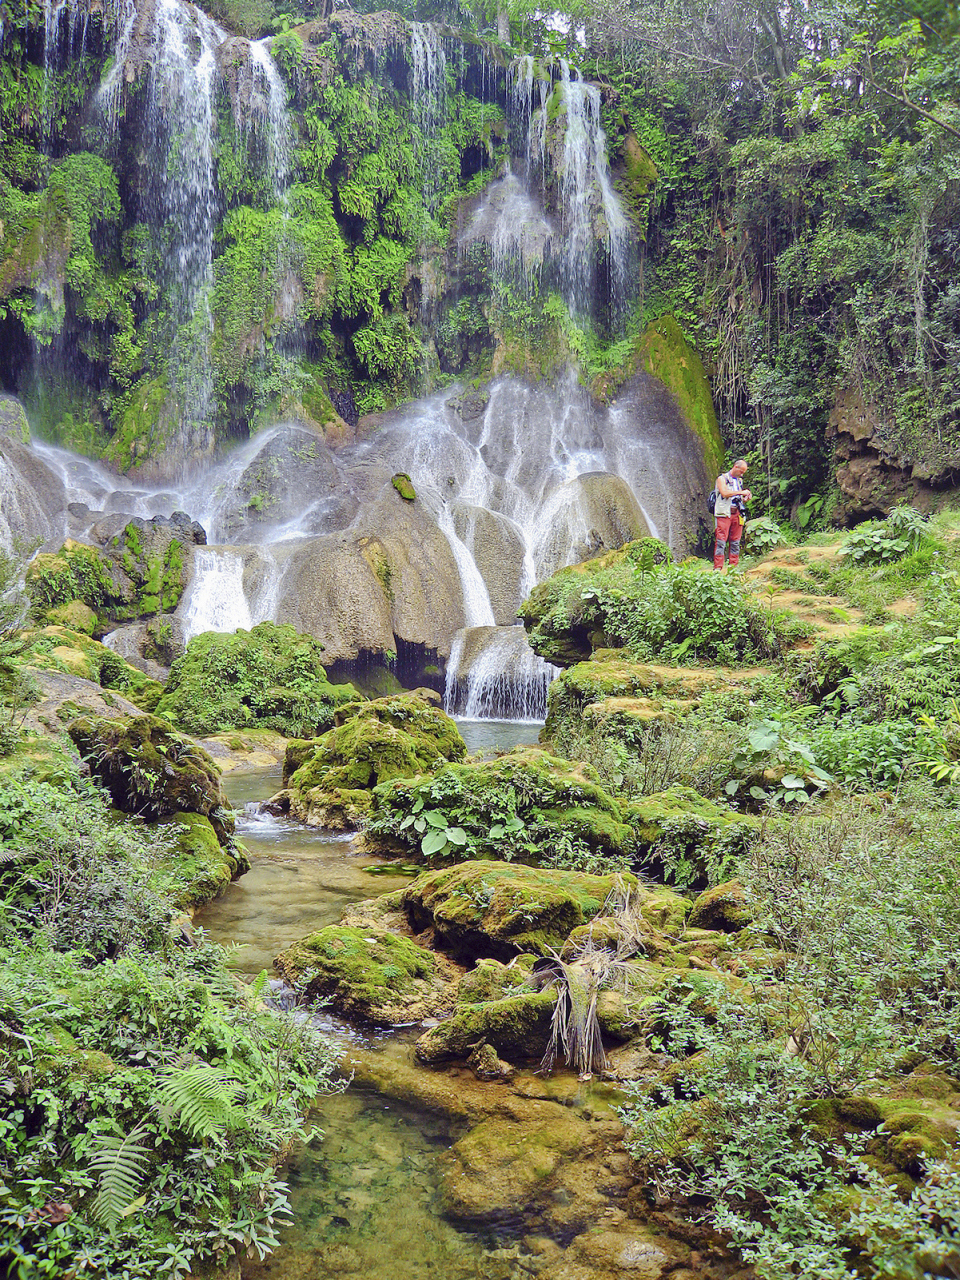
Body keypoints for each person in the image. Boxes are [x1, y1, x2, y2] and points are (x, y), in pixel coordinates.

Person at [713, 459, 751, 570]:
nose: (742, 474)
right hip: (724, 513)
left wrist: (745, 498)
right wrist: (741, 492)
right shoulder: (722, 479)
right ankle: (718, 568)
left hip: (737, 512)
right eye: (741, 471)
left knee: (735, 541)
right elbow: (724, 493)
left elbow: (737, 498)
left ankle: (733, 568)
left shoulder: (739, 481)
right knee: (721, 540)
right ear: (735, 467)